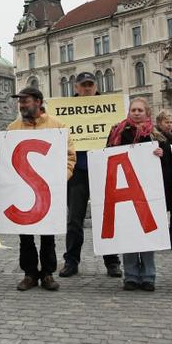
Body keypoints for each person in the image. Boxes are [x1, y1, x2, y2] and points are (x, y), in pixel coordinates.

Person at [7, 86, 76, 291]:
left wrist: (59, 180)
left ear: (38, 101)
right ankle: (29, 274)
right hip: (22, 190)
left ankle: (47, 274)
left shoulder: (57, 126)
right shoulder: (13, 128)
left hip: (48, 191)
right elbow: (8, 162)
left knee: (48, 235)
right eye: (20, 101)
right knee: (25, 237)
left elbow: (69, 157)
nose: (21, 105)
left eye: (25, 101)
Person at [60, 72, 122, 279]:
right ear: (75, 87)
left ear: (96, 86)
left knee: (106, 218)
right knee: (74, 220)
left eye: (90, 85)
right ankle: (71, 260)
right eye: (83, 85)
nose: (87, 88)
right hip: (77, 171)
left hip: (102, 169)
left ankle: (112, 261)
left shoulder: (110, 108)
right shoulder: (66, 111)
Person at [106, 97, 166, 292]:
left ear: (147, 113)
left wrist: (160, 153)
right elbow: (108, 155)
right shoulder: (118, 131)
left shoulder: (157, 134)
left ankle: (148, 276)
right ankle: (130, 276)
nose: (137, 113)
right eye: (134, 110)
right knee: (129, 233)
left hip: (149, 191)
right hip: (125, 189)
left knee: (147, 233)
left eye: (140, 110)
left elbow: (170, 159)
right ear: (129, 112)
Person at [154, 110, 172, 251]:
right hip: (161, 178)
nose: (169, 124)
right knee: (161, 210)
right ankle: (161, 239)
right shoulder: (155, 138)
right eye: (166, 122)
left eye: (171, 122)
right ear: (159, 123)